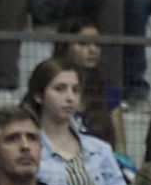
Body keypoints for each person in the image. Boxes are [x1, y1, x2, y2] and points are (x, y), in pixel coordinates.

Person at [24, 58, 131, 185]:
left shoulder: (100, 149)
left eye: (75, 89)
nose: (70, 97)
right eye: (60, 89)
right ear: (39, 96)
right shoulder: (29, 151)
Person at [53, 17, 127, 153]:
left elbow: (120, 147)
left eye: (97, 44)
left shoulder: (109, 94)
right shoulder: (48, 90)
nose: (93, 50)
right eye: (83, 44)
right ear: (64, 47)